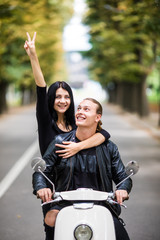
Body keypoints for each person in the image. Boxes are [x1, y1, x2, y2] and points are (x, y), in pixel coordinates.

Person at [24, 32, 110, 240]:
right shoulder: (46, 124)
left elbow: (104, 134)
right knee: (55, 232)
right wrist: (33, 55)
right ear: (52, 100)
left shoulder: (75, 124)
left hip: (78, 187)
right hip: (53, 190)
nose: (62, 100)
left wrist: (77, 147)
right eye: (57, 97)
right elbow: (40, 87)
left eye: (66, 97)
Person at [33, 98, 132, 240]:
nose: (80, 112)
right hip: (66, 203)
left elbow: (123, 177)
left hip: (102, 205)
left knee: (122, 236)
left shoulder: (109, 147)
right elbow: (42, 171)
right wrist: (42, 187)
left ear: (97, 117)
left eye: (86, 109)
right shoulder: (60, 142)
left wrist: (123, 189)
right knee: (51, 217)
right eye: (79, 108)